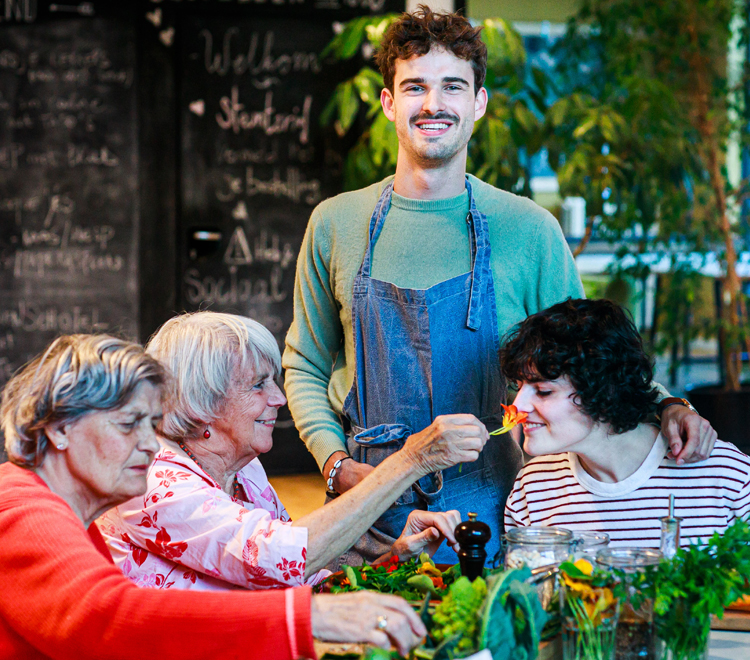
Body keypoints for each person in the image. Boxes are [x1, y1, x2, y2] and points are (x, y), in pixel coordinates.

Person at [281, 5, 717, 564]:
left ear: (479, 103)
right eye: (414, 86)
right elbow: (305, 365)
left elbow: (592, 359)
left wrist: (669, 406)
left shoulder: (528, 229)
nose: (433, 104)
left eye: (453, 87)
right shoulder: (336, 223)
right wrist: (340, 470)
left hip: (505, 515)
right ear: (389, 102)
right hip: (366, 510)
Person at [0, 334, 427, 660]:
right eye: (129, 424)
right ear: (58, 429)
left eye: (153, 425)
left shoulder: (59, 509)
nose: (151, 446)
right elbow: (109, 618)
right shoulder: (22, 508)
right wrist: (310, 617)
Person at [98, 311, 482, 589]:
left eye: (275, 382)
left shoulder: (243, 471)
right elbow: (279, 559)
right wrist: (412, 460)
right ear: (201, 404)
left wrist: (398, 557)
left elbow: (311, 584)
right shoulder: (152, 481)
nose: (280, 398)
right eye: (258, 386)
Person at [502, 298, 750, 547]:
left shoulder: (726, 476)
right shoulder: (532, 488)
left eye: (543, 391)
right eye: (519, 387)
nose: (518, 406)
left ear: (604, 390)